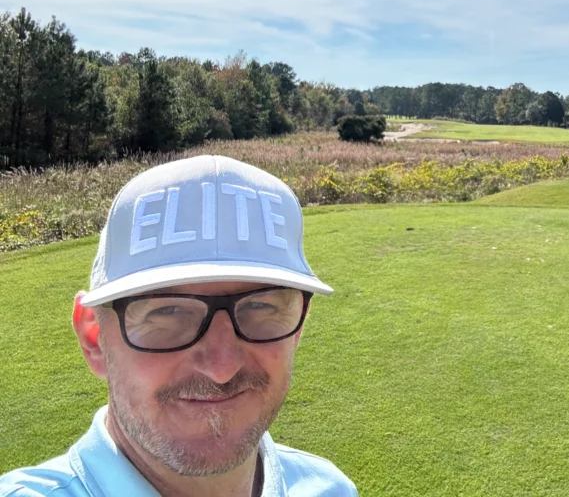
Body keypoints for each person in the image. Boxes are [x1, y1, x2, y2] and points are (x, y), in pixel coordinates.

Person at [0, 155, 358, 497]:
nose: (221, 368)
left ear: (298, 328)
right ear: (94, 337)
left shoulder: (330, 489)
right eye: (167, 312)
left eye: (260, 306)